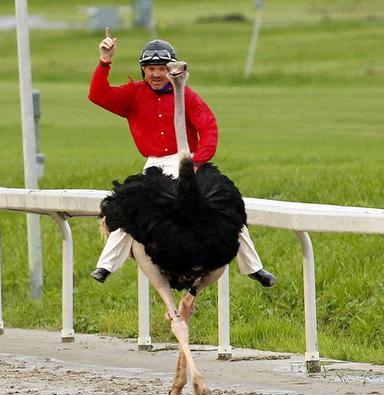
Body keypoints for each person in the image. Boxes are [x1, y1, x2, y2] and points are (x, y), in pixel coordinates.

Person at [88, 35, 276, 288]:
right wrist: (104, 61)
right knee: (130, 207)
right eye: (151, 69)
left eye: (162, 69)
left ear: (171, 69)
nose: (156, 74)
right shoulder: (133, 94)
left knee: (225, 207)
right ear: (143, 70)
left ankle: (254, 266)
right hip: (154, 164)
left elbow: (208, 125)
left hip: (187, 161)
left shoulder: (185, 95)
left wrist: (199, 161)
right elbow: (98, 95)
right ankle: (107, 264)